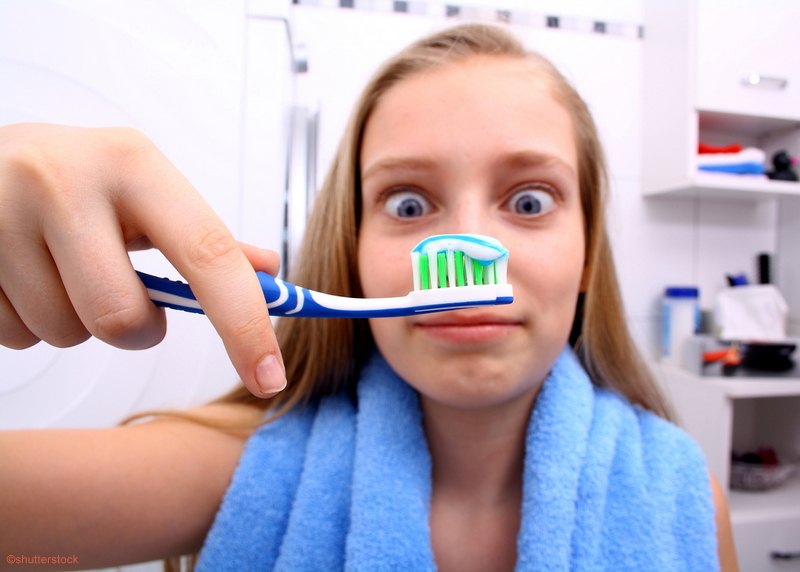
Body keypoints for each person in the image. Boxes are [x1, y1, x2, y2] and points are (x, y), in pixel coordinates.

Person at [0, 23, 737, 572]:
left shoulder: (685, 498)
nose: (478, 243)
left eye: (532, 200)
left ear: (586, 257)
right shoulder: (239, 471)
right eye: (409, 205)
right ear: (351, 254)